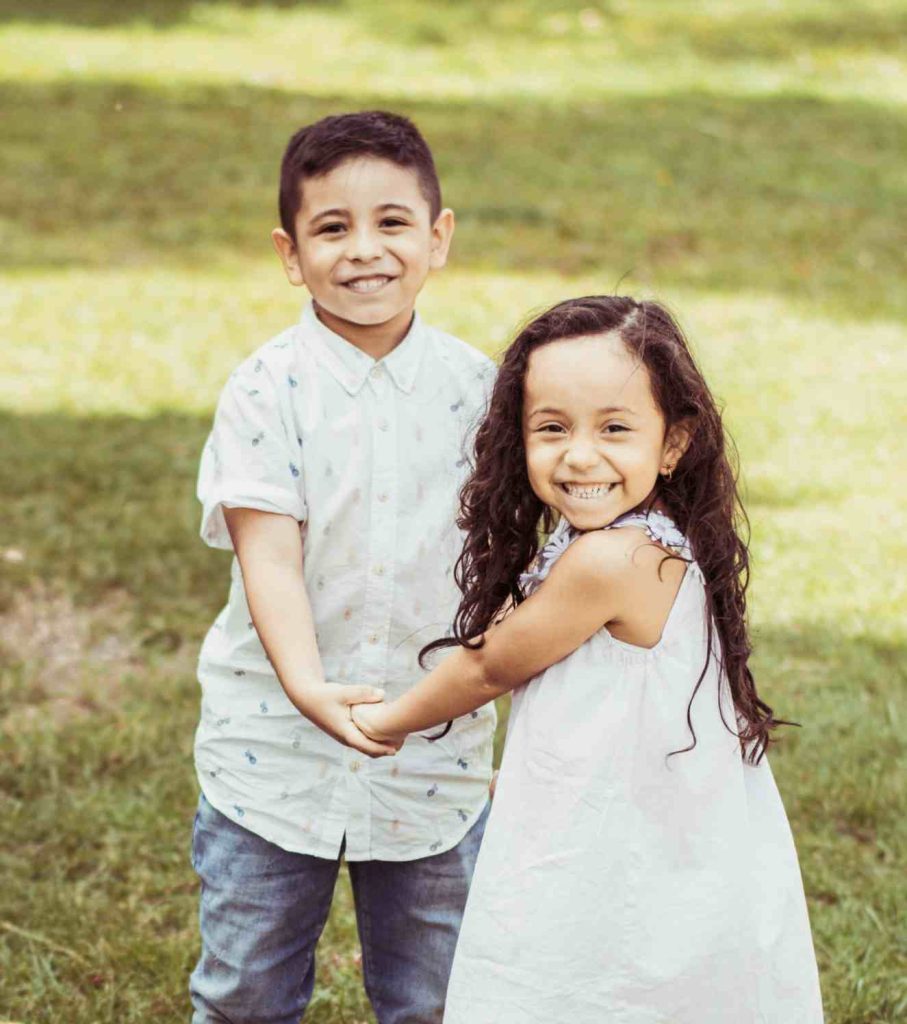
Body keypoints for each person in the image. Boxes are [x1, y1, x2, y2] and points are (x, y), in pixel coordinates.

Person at [352, 296, 825, 1023]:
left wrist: (387, 722)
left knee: (591, 974)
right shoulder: (641, 535)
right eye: (551, 428)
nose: (579, 454)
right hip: (646, 816)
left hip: (617, 837)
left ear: (672, 443)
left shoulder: (611, 557)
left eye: (613, 428)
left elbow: (488, 668)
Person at [189, 110, 497, 1024]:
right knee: (246, 990)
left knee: (438, 997)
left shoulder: (483, 392)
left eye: (393, 222)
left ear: (438, 238)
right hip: (269, 757)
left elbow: (511, 560)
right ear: (291, 253)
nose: (365, 250)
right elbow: (268, 558)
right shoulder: (265, 387)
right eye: (333, 228)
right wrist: (309, 687)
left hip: (433, 760)